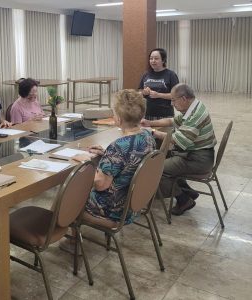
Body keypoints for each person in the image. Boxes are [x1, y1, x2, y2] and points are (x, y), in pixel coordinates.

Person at [60, 89, 156, 254]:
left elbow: (100, 185)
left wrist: (86, 162)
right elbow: (131, 161)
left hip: (114, 210)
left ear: (117, 118)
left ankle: (74, 241)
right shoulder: (147, 137)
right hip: (134, 203)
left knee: (67, 195)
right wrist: (107, 155)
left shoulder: (118, 147)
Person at [141, 83, 217, 216]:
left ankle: (183, 199)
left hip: (198, 159)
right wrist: (149, 122)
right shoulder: (194, 107)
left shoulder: (196, 115)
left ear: (184, 99)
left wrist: (152, 132)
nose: (171, 104)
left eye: (173, 100)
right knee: (163, 157)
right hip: (197, 154)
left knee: (157, 169)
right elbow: (171, 121)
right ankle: (186, 191)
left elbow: (177, 140)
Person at [139, 48, 179, 120]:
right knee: (150, 132)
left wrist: (158, 95)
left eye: (156, 58)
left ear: (163, 60)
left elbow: (176, 95)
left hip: (165, 114)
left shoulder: (171, 75)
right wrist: (143, 92)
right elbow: (140, 92)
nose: (153, 61)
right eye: (151, 58)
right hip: (147, 113)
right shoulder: (146, 75)